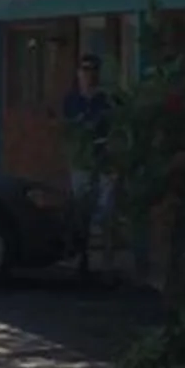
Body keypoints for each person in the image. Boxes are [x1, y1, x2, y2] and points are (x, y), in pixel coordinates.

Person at [61, 49, 117, 265]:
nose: (88, 75)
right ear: (78, 73)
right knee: (81, 211)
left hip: (104, 161)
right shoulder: (72, 101)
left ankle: (106, 260)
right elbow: (67, 128)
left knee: (107, 211)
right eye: (85, 70)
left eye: (93, 70)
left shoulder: (105, 100)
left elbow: (115, 127)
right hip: (81, 162)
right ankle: (82, 258)